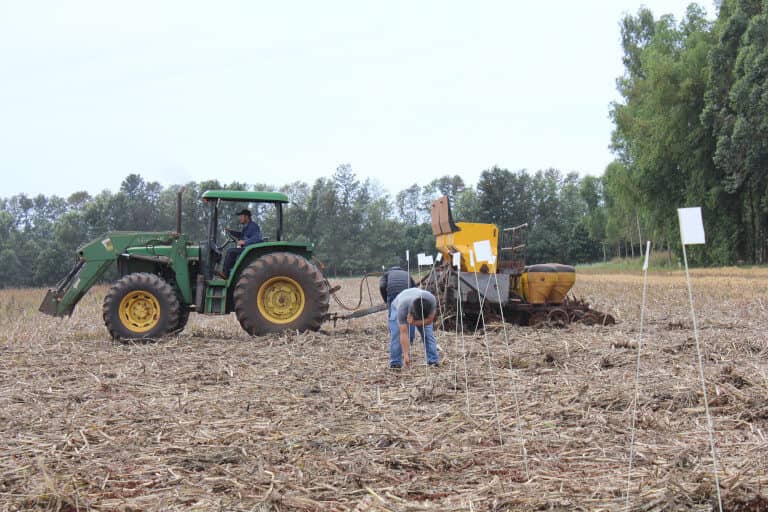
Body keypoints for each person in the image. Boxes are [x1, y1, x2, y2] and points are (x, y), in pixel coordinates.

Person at [388, 287, 439, 369]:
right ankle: (395, 363)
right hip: (398, 303)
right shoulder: (403, 307)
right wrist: (406, 355)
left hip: (414, 303)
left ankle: (433, 361)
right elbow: (403, 332)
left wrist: (414, 322)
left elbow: (429, 320)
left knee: (428, 334)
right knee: (396, 334)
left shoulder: (431, 299)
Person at [218, 209, 262, 278]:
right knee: (232, 251)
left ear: (246, 217)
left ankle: (225, 274)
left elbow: (257, 238)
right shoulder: (246, 227)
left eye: (241, 216)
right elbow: (241, 235)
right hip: (246, 249)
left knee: (231, 251)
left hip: (250, 251)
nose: (240, 218)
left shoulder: (253, 226)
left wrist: (245, 242)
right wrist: (231, 231)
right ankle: (229, 273)